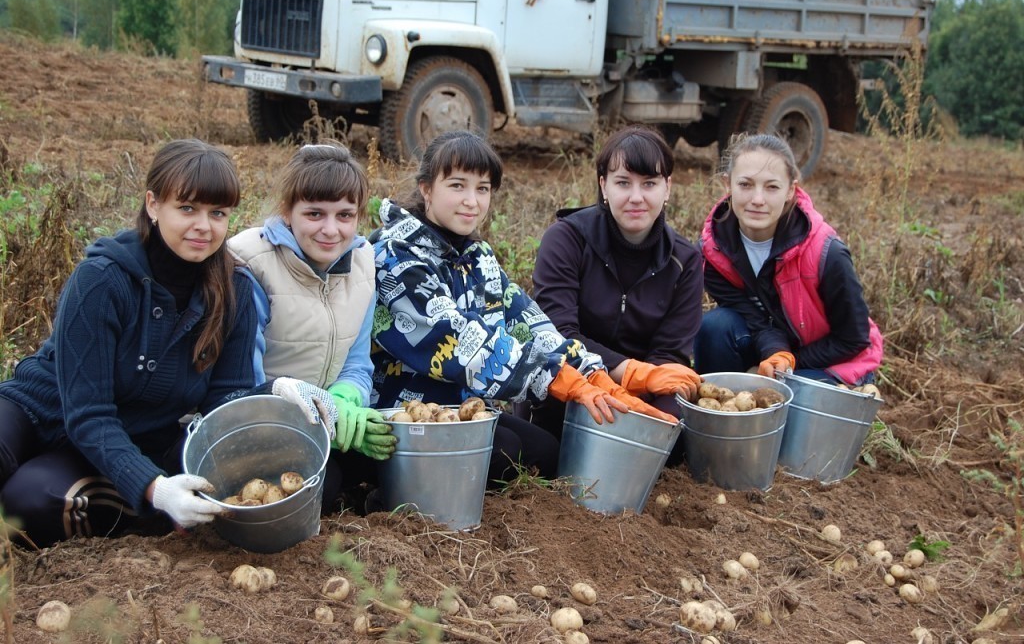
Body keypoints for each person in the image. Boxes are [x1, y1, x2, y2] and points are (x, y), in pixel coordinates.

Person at [0, 139, 337, 548]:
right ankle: (143, 504)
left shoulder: (234, 291)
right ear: (153, 205)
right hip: (40, 410)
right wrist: (157, 490)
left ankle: (122, 505)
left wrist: (274, 390)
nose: (204, 226)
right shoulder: (101, 281)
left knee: (30, 501)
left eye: (218, 213)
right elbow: (87, 415)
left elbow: (222, 403)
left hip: (134, 436)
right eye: (187, 208)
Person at [369, 130, 662, 485]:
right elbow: (456, 339)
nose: (472, 202)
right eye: (457, 186)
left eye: (483, 188)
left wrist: (592, 371)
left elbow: (530, 322)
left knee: (546, 453)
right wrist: (553, 376)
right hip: (408, 411)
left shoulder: (478, 258)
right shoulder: (396, 255)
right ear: (427, 188)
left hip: (465, 409)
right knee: (504, 453)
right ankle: (385, 491)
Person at [229, 142, 396, 514]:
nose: (331, 230)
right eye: (315, 213)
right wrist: (327, 422)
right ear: (287, 212)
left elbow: (357, 361)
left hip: (323, 422)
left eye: (345, 215)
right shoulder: (251, 266)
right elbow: (243, 386)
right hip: (264, 425)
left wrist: (347, 398)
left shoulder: (363, 263)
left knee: (401, 457)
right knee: (327, 483)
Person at [525, 126, 704, 454]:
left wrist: (646, 383)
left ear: (668, 188)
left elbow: (670, 354)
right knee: (552, 435)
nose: (636, 197)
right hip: (575, 382)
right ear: (603, 185)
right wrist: (632, 372)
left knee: (678, 424)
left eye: (649, 183)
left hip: (643, 392)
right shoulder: (566, 240)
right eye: (623, 183)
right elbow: (557, 335)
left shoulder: (686, 259)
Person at [694, 133, 883, 385]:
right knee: (715, 327)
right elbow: (754, 318)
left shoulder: (827, 253)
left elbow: (853, 339)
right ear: (727, 185)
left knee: (789, 396)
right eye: (745, 185)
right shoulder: (714, 253)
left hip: (832, 360)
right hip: (771, 350)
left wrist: (791, 362)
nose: (757, 199)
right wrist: (775, 353)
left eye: (772, 187)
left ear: (790, 191)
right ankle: (713, 419)